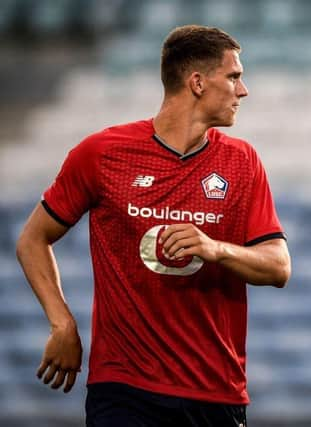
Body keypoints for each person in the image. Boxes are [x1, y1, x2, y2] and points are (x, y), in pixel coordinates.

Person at [15, 25, 291, 427]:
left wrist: (216, 248)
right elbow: (33, 239)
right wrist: (62, 323)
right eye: (233, 76)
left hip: (214, 390)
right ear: (197, 82)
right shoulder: (103, 153)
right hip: (124, 389)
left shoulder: (242, 162)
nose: (243, 90)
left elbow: (279, 266)